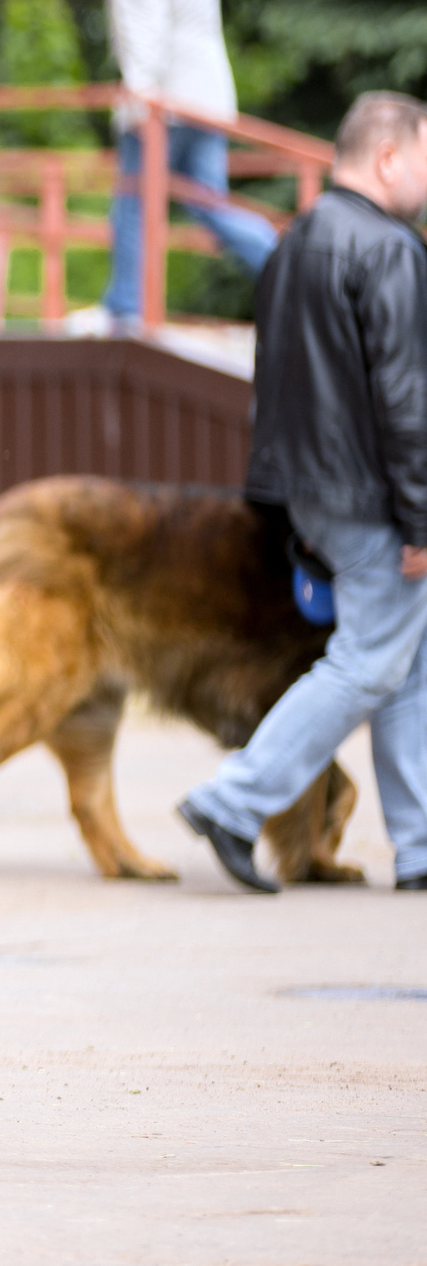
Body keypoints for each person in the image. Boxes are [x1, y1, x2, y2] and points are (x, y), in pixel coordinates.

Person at [177, 92, 427, 894]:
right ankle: (234, 801)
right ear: (388, 158)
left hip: (311, 489)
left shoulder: (294, 242)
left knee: (406, 659)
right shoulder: (391, 248)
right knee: (368, 661)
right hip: (375, 493)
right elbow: (405, 395)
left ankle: (421, 846)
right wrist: (422, 514)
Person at [85, 0, 277, 327]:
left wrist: (139, 98)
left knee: (133, 200)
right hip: (207, 99)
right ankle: (288, 264)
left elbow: (145, 31)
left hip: (163, 101)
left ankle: (124, 309)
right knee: (209, 204)